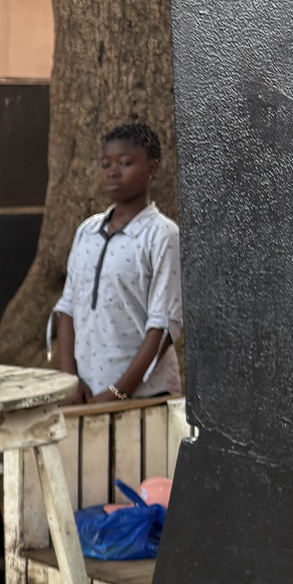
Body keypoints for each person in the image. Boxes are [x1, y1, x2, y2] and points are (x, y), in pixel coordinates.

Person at [53, 121, 182, 406]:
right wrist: (69, 382)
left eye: (125, 163)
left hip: (145, 397)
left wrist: (118, 392)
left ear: (152, 168)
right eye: (106, 163)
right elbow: (68, 306)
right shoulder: (87, 231)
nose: (113, 171)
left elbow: (164, 324)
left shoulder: (162, 234)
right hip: (85, 393)